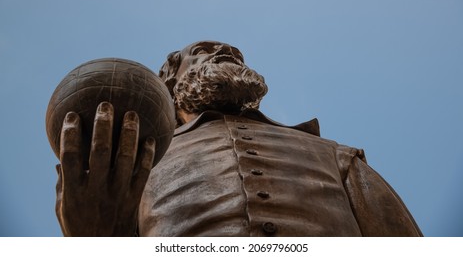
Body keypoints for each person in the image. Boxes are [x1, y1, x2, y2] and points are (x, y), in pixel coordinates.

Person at [55, 41, 422, 236]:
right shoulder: (139, 162)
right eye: (202, 51)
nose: (225, 52)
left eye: (233, 53)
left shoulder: (333, 154)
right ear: (168, 80)